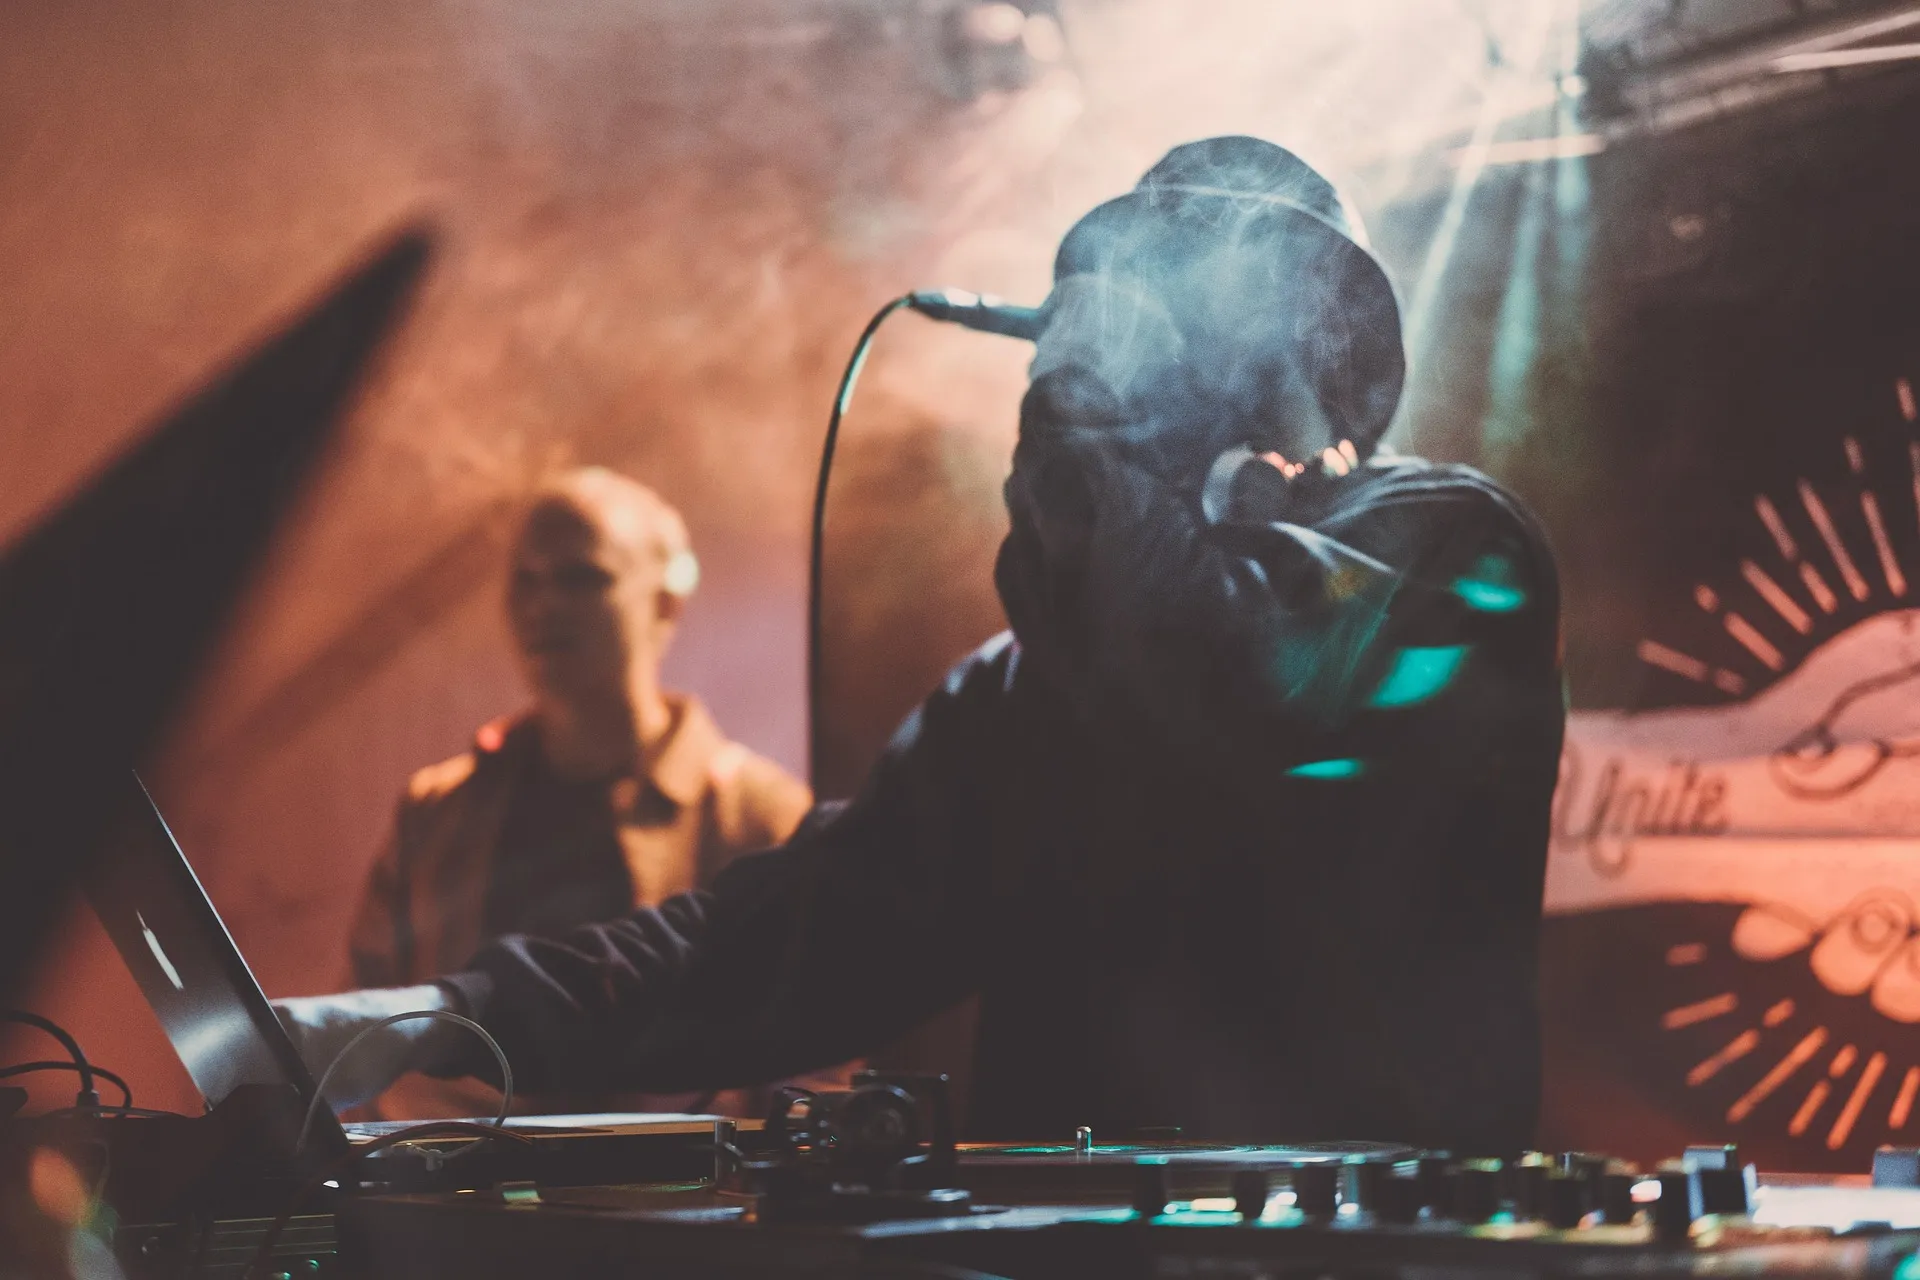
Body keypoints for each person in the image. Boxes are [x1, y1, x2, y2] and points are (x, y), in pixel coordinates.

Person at [277, 137, 1565, 1151]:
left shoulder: (1450, 555)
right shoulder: (1034, 685)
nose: (1131, 331)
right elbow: (795, 934)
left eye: (1177, 289)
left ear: (1311, 328)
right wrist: (449, 1013)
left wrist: (1082, 413)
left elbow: (1200, 672)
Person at [341, 466, 817, 1118]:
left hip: (673, 1182)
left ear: (665, 604)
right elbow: (359, 1042)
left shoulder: (758, 818)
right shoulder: (437, 810)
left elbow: (816, 1068)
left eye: (582, 577)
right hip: (447, 1178)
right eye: (525, 580)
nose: (544, 606)